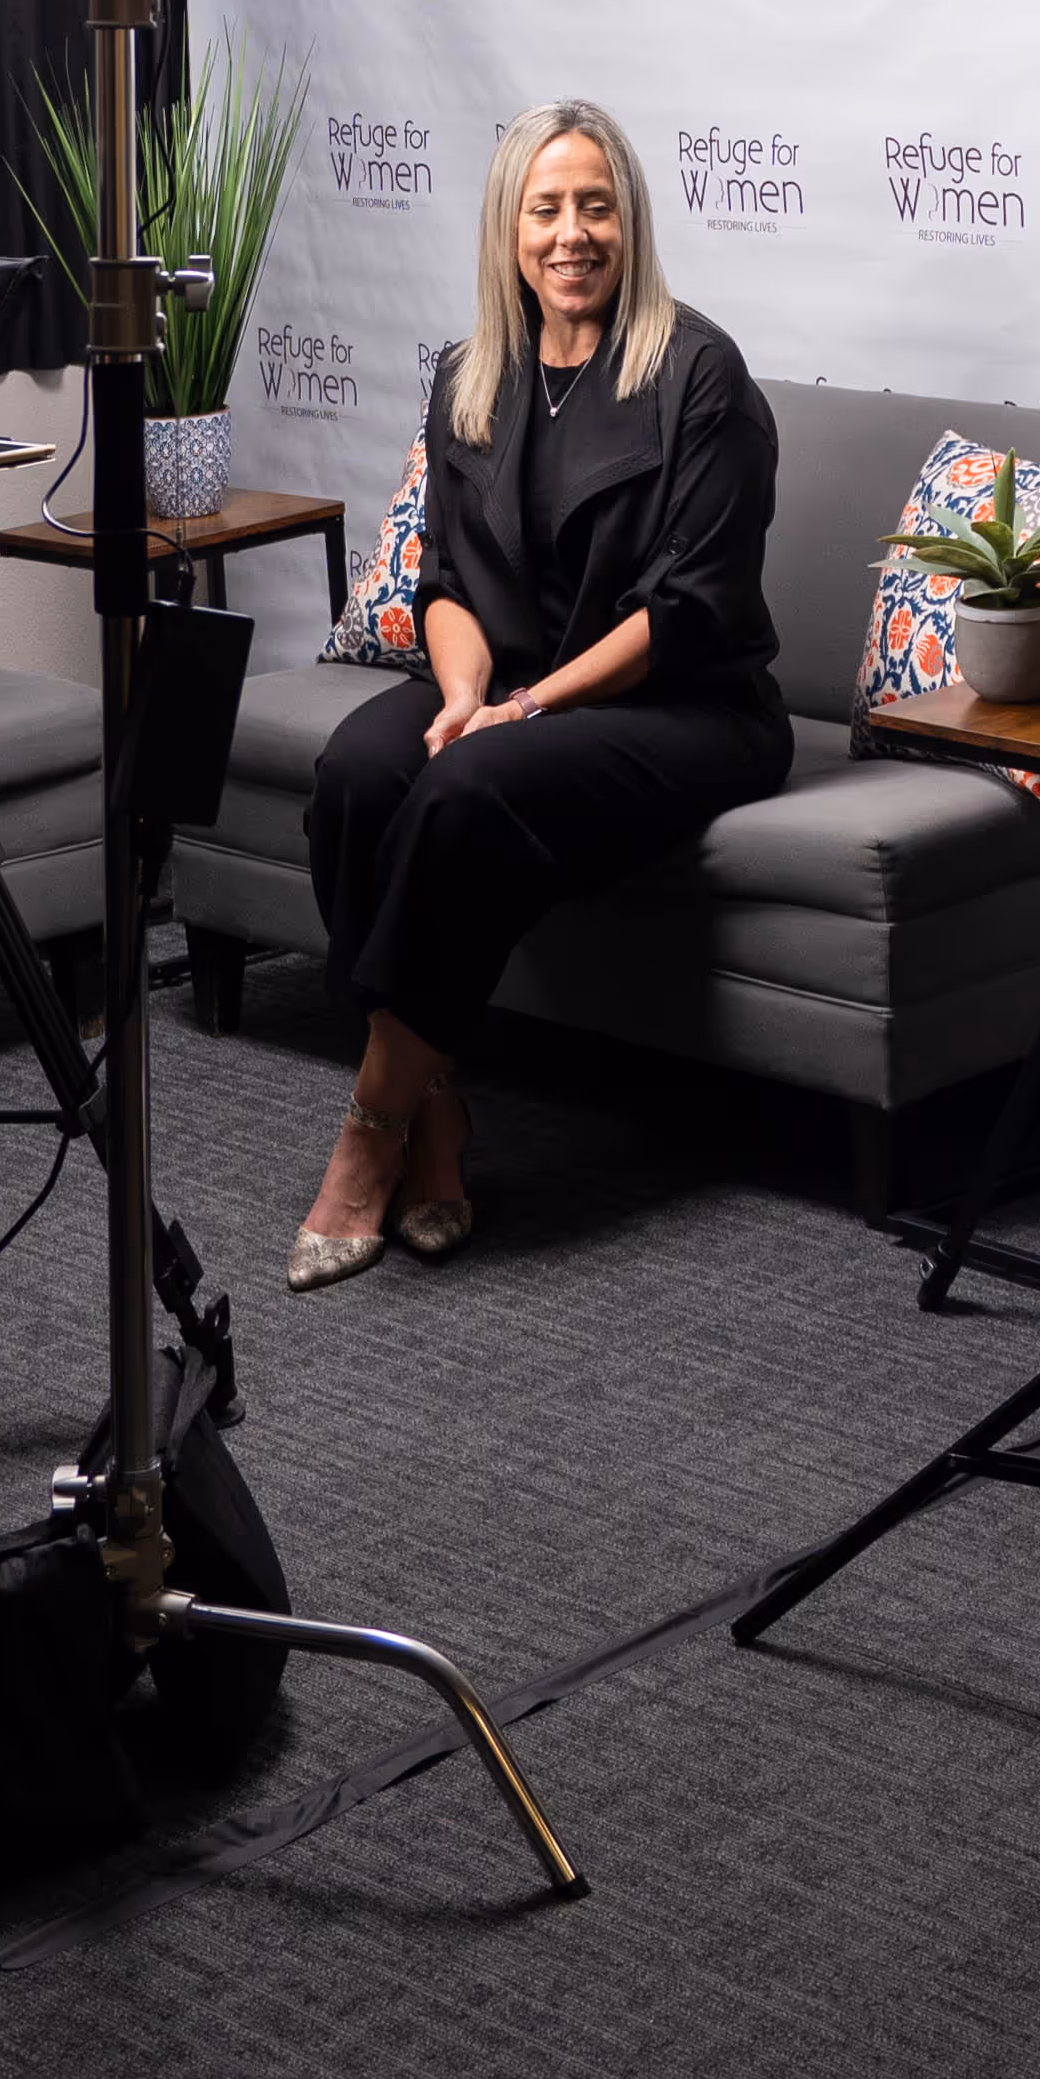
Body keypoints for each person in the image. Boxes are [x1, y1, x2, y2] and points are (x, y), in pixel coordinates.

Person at [293, 98, 786, 1284]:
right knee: (358, 770)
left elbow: (682, 612)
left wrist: (520, 714)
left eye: (596, 206)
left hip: (683, 707)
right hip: (506, 686)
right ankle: (440, 1105)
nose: (572, 234)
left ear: (631, 224)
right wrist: (465, 694)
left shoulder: (696, 373)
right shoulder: (473, 373)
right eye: (546, 207)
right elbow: (446, 579)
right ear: (508, 229)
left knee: (464, 792)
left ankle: (371, 1133)